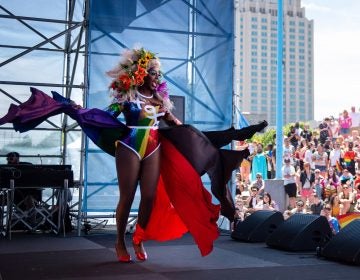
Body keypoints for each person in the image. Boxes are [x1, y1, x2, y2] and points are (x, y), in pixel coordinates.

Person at [0, 47, 267, 261]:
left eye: (157, 72)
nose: (156, 76)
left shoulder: (161, 99)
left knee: (149, 197)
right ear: (141, 73)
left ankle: (138, 236)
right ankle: (119, 242)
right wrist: (81, 110)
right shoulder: (128, 94)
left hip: (153, 146)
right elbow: (108, 114)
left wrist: (195, 135)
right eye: (152, 71)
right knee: (127, 197)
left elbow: (173, 122)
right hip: (129, 145)